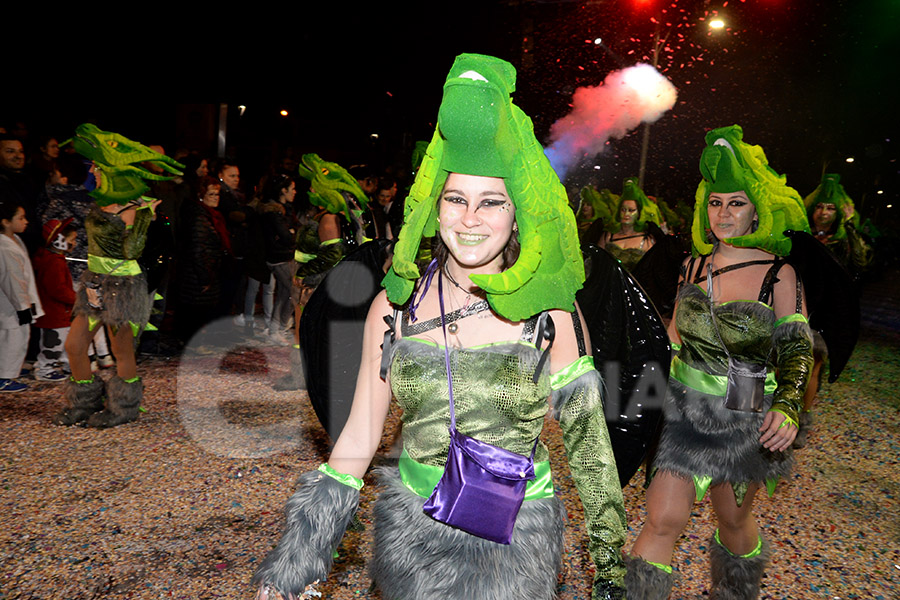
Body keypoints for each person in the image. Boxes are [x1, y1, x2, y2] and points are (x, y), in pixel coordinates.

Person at [253, 53, 626, 600]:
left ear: (517, 211)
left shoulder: (551, 316)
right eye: (456, 198)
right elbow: (359, 436)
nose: (470, 218)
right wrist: (298, 559)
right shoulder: (394, 309)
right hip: (412, 542)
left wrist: (611, 569)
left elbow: (589, 450)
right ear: (435, 204)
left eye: (491, 202)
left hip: (515, 552)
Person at [626, 125, 813, 599]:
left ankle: (734, 593)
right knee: (662, 519)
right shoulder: (693, 264)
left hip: (745, 417)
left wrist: (788, 405)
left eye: (736, 202)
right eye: (715, 201)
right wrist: (636, 400)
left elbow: (796, 347)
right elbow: (669, 339)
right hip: (685, 413)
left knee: (733, 522)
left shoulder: (778, 273)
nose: (723, 212)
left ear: (757, 209)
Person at [54, 124, 183, 428]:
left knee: (121, 350)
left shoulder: (134, 208)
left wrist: (144, 219)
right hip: (93, 283)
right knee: (74, 345)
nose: (94, 171)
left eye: (98, 167)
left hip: (123, 288)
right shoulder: (101, 201)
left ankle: (124, 407)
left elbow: (131, 250)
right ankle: (84, 403)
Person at [175, 175, 232, 343]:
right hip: (196, 276)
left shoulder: (209, 215)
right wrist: (204, 277)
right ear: (201, 195)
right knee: (194, 314)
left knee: (199, 313)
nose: (216, 198)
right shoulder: (199, 217)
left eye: (217, 194)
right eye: (212, 194)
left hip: (204, 272)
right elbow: (197, 250)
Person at [0, 201, 43, 392]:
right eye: (20, 218)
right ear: (5, 222)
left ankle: (10, 370)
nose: (25, 222)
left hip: (17, 301)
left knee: (16, 337)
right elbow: (12, 280)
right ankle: (5, 376)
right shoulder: (5, 248)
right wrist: (23, 307)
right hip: (11, 305)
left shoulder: (15, 241)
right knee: (13, 338)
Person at [32, 218, 78, 382]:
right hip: (54, 313)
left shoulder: (55, 259)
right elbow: (57, 289)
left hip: (60, 312)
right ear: (59, 241)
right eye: (72, 239)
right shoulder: (53, 262)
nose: (74, 243)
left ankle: (66, 365)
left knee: (64, 341)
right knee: (53, 343)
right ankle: (44, 369)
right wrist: (76, 299)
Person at [598, 177, 662, 271]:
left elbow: (655, 271)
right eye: (623, 210)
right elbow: (596, 264)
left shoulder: (648, 240)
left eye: (631, 210)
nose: (626, 214)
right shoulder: (608, 236)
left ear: (639, 213)